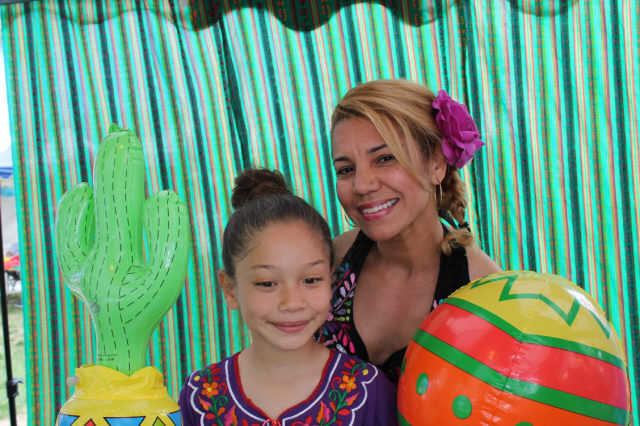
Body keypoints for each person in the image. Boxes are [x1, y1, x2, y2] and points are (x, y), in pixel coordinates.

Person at [180, 168, 397, 425]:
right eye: (267, 283)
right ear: (229, 289)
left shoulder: (369, 392)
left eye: (311, 280)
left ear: (330, 280)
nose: (292, 303)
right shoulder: (200, 397)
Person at [321, 79, 502, 383]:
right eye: (346, 169)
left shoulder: (485, 295)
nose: (362, 185)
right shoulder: (330, 263)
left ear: (436, 163)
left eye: (385, 158)